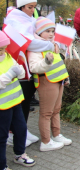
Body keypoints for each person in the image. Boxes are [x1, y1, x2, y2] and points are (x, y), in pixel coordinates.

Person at [4, 0, 58, 147]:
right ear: (21, 7)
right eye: (29, 7)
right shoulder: (15, 20)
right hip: (18, 66)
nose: (32, 10)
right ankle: (12, 133)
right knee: (21, 100)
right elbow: (29, 42)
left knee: (26, 100)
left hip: (26, 65)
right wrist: (49, 44)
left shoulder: (25, 19)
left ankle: (22, 130)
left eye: (34, 7)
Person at [28, 17, 72, 152]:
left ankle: (57, 135)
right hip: (47, 82)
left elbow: (59, 63)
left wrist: (65, 78)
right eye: (48, 31)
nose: (52, 33)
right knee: (46, 113)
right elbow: (34, 67)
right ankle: (46, 141)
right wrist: (46, 61)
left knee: (56, 110)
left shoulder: (53, 44)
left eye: (53, 30)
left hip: (58, 81)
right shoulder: (35, 46)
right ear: (39, 32)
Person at [0, 31, 36, 169]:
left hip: (15, 101)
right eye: (0, 49)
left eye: (4, 48)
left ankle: (20, 154)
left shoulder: (8, 55)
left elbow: (19, 71)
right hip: (2, 106)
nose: (3, 52)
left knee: (21, 129)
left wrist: (19, 71)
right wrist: (10, 73)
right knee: (2, 136)